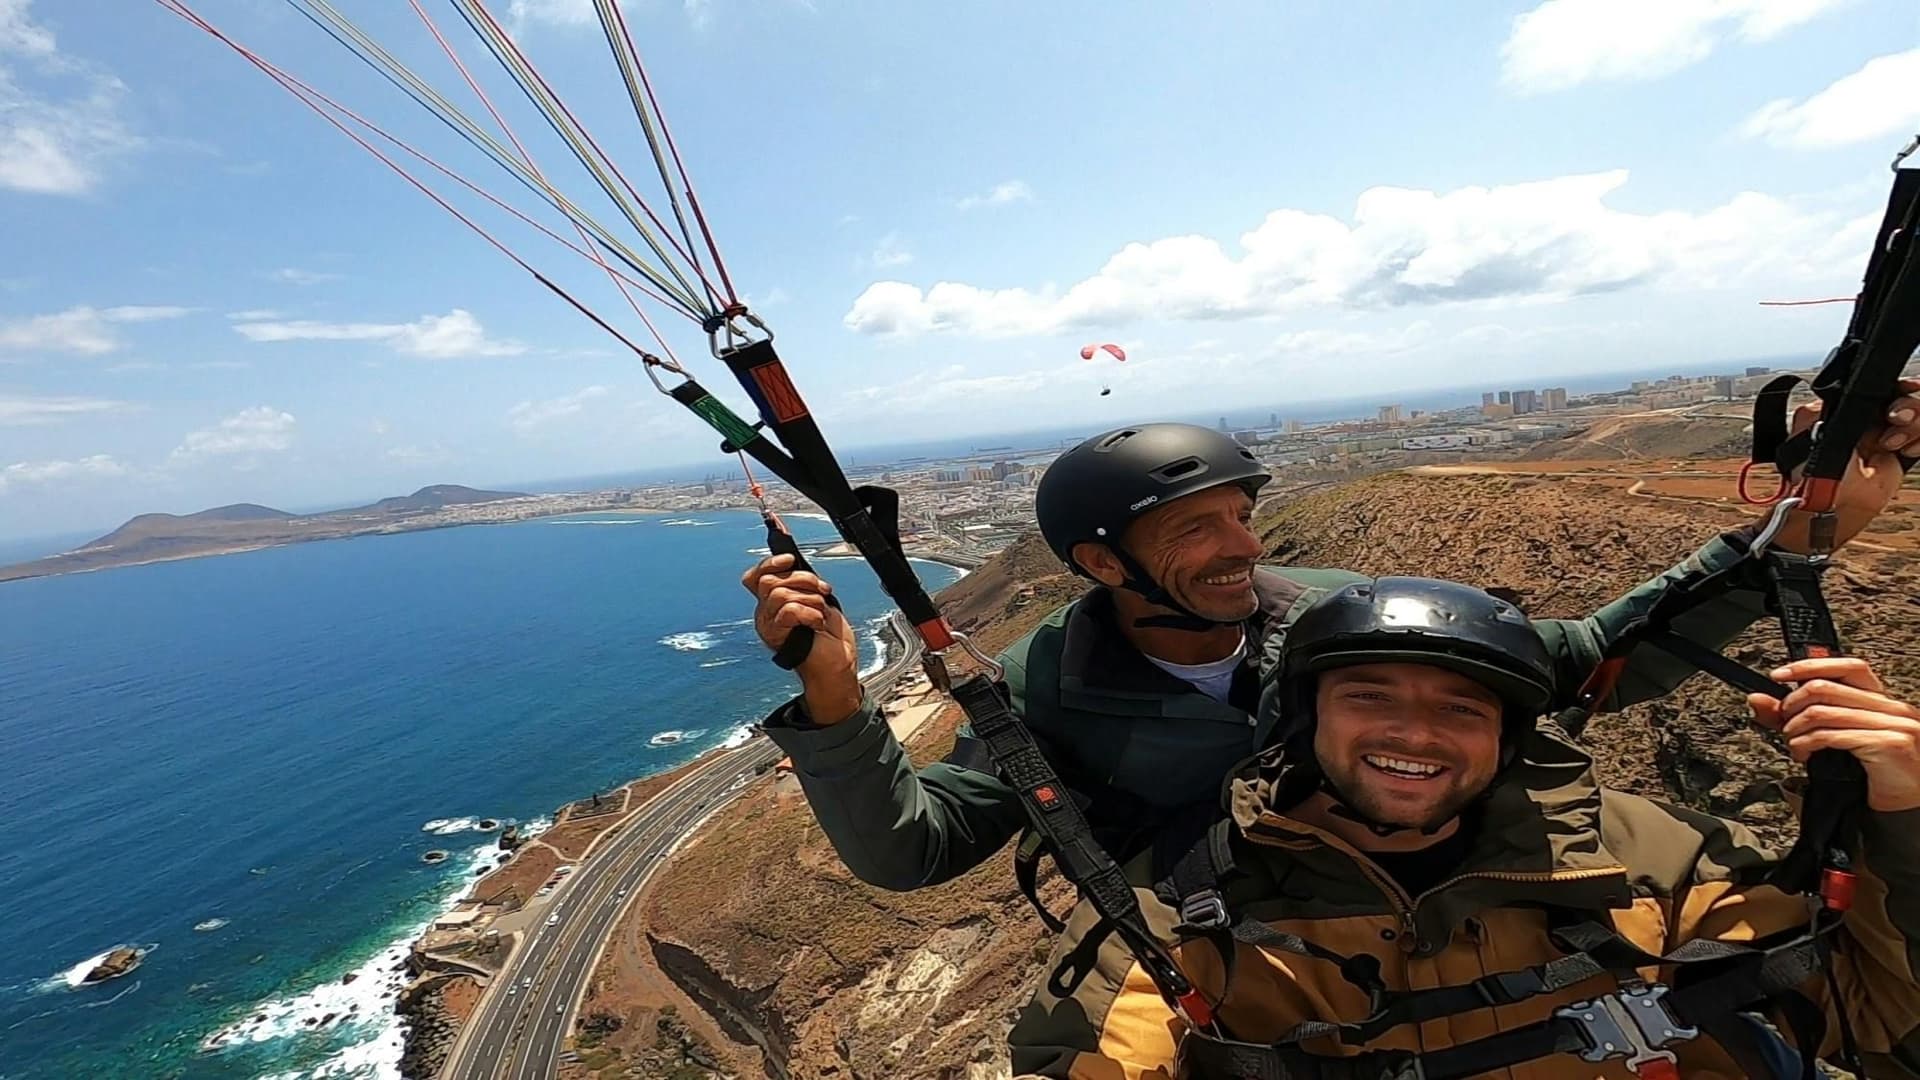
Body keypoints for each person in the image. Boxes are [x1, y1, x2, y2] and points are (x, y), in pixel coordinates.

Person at [741, 407, 1917, 907]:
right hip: (1248, 943)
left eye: (1242, 515)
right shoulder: (1051, 688)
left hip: (1455, 889)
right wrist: (836, 702)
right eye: (1195, 530)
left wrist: (1792, 537)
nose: (1243, 548)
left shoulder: (1338, 616)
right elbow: (915, 849)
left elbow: (1593, 658)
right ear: (1102, 565)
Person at [1006, 576, 1920, 1078]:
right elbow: (1090, 1057)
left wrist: (1905, 815)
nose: (1413, 735)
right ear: (1305, 720)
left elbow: (1880, 1017)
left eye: (1460, 709)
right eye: (1370, 697)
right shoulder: (1179, 905)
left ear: (1508, 739)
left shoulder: (1651, 861)